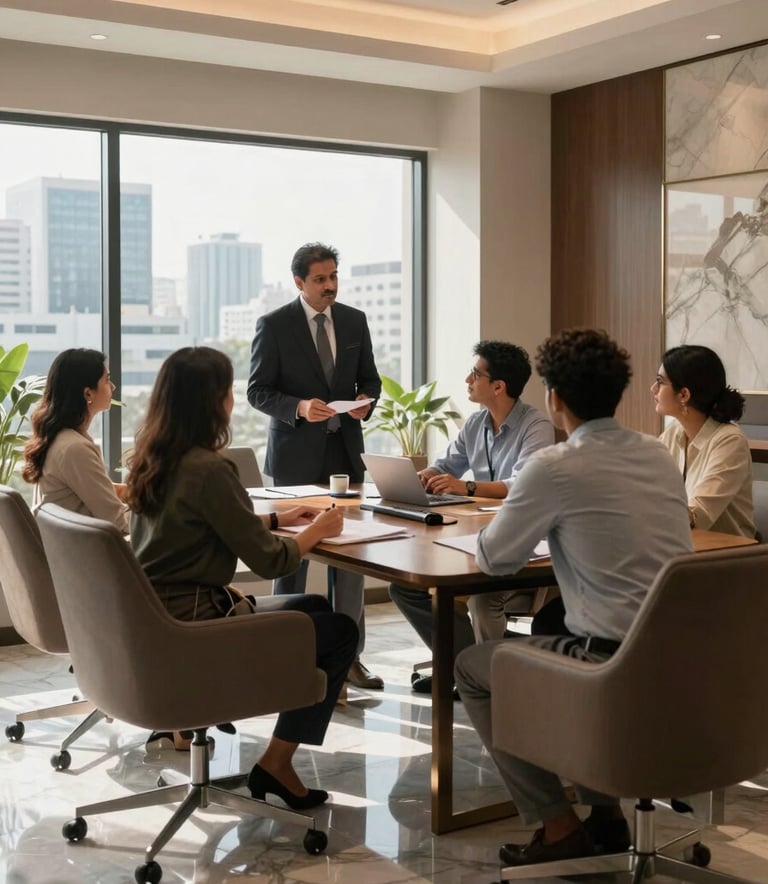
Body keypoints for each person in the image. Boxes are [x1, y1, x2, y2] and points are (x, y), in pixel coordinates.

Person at [454, 328, 693, 867]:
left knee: (472, 666)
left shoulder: (555, 466)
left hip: (609, 664)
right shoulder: (657, 455)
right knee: (550, 630)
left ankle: (559, 825)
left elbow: (494, 560)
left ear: (554, 399)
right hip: (685, 661)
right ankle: (604, 815)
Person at [125, 346, 358, 807]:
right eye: (228, 390)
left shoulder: (152, 458)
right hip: (196, 628)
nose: (232, 399)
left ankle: (276, 757)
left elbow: (201, 526)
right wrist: (316, 529)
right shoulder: (211, 468)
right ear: (211, 401)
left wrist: (276, 519)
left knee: (312, 608)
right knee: (341, 632)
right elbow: (272, 563)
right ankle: (276, 764)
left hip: (156, 622)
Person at [247, 242, 384, 690]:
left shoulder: (354, 321)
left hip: (345, 456)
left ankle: (350, 659)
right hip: (295, 461)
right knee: (293, 561)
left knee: (351, 563)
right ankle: (286, 656)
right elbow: (258, 391)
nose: (330, 286)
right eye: (320, 279)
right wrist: (300, 407)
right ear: (299, 282)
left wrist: (366, 404)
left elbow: (371, 380)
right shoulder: (274, 325)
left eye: (333, 277)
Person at [388, 340, 554, 694]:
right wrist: (425, 476)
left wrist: (465, 486)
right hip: (473, 537)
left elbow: (520, 484)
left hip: (521, 545)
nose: (467, 379)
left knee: (481, 596)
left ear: (498, 386)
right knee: (405, 586)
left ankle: (485, 683)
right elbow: (447, 464)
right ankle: (462, 669)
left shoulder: (536, 425)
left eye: (475, 374)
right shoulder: (477, 422)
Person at [22, 348, 128, 534]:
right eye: (106, 380)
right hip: (86, 557)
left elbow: (84, 490)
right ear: (88, 394)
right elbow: (117, 521)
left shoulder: (59, 438)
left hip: (67, 554)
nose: (113, 387)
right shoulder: (75, 449)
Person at [653, 344, 755, 539]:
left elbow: (698, 516)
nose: (653, 389)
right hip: (683, 547)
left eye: (660, 381)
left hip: (729, 558)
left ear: (684, 394)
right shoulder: (673, 432)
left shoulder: (729, 441)